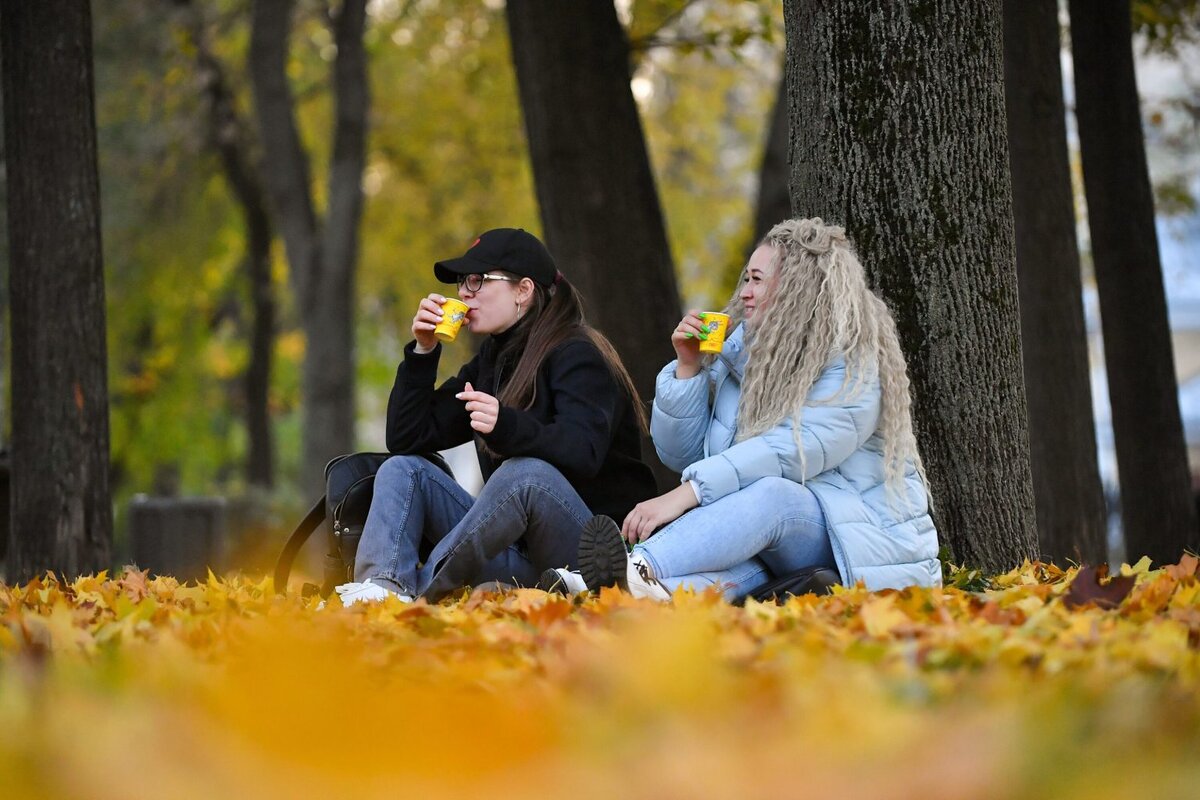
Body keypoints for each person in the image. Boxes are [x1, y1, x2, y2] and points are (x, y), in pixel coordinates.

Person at [569, 217, 941, 601]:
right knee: (705, 578)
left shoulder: (852, 361)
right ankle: (595, 590)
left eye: (757, 280)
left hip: (857, 543)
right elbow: (682, 455)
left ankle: (635, 567)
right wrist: (688, 369)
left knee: (773, 495)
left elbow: (793, 449)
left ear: (798, 287)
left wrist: (688, 493)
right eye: (745, 279)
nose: (744, 292)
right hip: (771, 543)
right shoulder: (740, 356)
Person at [333, 227, 657, 605]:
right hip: (519, 556)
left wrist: (506, 425)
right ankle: (380, 589)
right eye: (461, 283)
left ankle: (412, 597)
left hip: (587, 559)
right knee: (403, 468)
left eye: (477, 280)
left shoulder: (578, 353)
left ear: (523, 290)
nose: (464, 293)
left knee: (525, 475)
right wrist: (422, 352)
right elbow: (408, 436)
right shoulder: (493, 359)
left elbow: (582, 451)